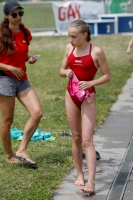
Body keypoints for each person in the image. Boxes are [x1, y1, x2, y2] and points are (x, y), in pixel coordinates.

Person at [60, 19, 111, 194]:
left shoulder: (96, 52)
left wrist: (91, 83)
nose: (70, 40)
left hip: (88, 97)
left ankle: (91, 182)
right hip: (71, 95)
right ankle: (79, 174)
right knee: (76, 137)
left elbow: (107, 76)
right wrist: (65, 72)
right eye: (69, 36)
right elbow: (61, 70)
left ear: (84, 35)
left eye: (73, 37)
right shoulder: (69, 49)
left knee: (87, 139)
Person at [0, 1, 43, 167]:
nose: (18, 17)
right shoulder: (2, 33)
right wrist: (10, 67)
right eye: (14, 14)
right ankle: (9, 155)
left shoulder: (25, 32)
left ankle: (21, 150)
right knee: (7, 120)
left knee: (37, 113)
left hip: (22, 78)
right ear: (7, 16)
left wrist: (29, 58)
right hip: (4, 78)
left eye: (20, 13)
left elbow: (20, 53)